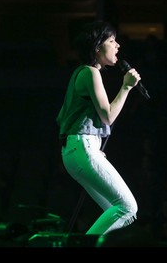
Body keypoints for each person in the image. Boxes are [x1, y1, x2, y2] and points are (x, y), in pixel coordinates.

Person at [56, 20, 140, 236]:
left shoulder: (81, 73)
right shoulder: (90, 73)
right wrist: (126, 87)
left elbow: (64, 118)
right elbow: (108, 116)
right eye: (112, 41)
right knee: (128, 208)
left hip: (77, 149)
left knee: (115, 209)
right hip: (82, 148)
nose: (117, 45)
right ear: (97, 48)